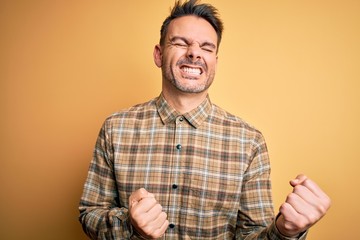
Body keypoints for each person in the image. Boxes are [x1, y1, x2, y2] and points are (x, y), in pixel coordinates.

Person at [79, 0, 331, 239]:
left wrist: (285, 232)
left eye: (206, 47)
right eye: (180, 43)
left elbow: (251, 236)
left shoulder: (249, 142)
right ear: (158, 54)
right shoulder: (116, 128)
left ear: (214, 62)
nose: (194, 54)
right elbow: (90, 213)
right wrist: (129, 225)